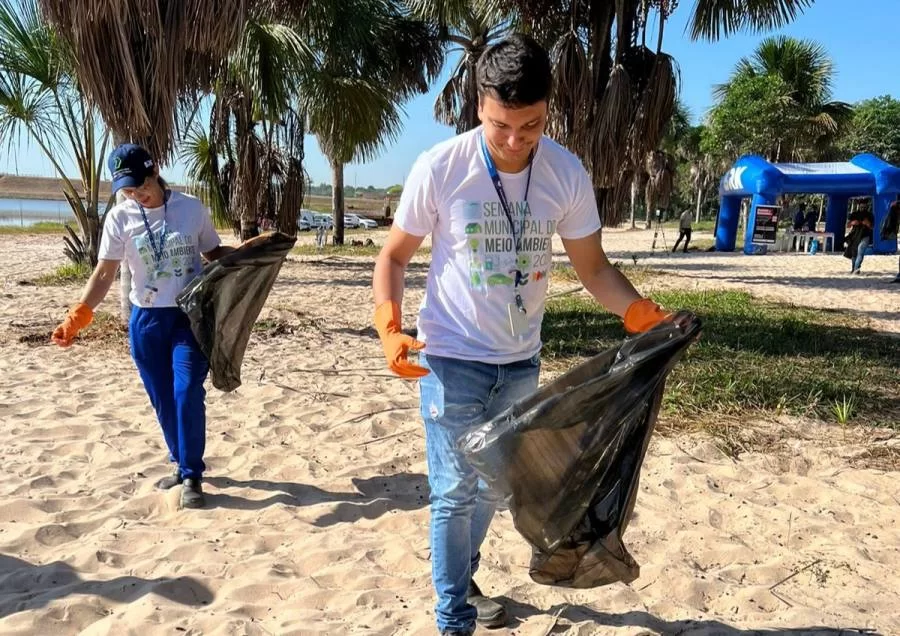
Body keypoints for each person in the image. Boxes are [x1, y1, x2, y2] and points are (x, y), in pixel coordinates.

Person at [371, 34, 673, 636]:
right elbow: (394, 257)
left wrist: (637, 312)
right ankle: (452, 620)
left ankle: (463, 577)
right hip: (449, 357)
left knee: (494, 489)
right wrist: (389, 325)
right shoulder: (442, 167)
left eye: (530, 126)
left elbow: (594, 269)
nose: (514, 141)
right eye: (500, 126)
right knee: (455, 492)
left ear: (547, 110)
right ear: (479, 106)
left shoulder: (565, 172)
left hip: (519, 363)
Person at [51, 143, 233, 508]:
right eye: (128, 189)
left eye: (141, 185)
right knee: (161, 397)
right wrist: (78, 315)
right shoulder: (120, 218)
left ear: (155, 171)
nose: (137, 194)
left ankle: (192, 475)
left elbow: (213, 254)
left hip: (188, 318)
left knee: (186, 390)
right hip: (146, 320)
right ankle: (180, 462)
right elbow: (105, 273)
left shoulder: (191, 209)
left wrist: (254, 251)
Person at [845, 202, 874, 274]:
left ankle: (856, 268)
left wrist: (867, 223)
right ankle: (854, 269)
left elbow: (872, 227)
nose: (863, 208)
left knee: (860, 252)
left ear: (867, 206)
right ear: (859, 206)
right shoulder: (854, 214)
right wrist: (853, 223)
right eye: (861, 206)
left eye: (864, 207)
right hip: (854, 236)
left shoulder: (870, 215)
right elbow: (847, 225)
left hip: (865, 236)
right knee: (854, 253)